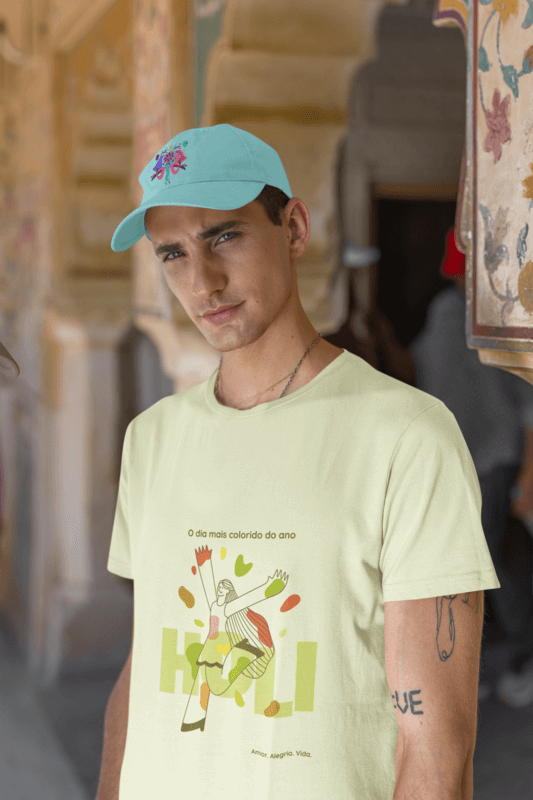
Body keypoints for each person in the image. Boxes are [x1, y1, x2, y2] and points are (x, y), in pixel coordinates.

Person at [99, 124, 500, 800]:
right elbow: (148, 660)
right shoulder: (152, 438)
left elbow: (435, 747)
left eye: (224, 235)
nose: (202, 281)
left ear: (292, 227)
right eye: (172, 253)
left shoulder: (404, 435)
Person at [408, 228, 533, 708]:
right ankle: (475, 668)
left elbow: (525, 403)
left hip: (489, 459)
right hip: (463, 460)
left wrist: (526, 474)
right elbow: (422, 380)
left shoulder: (500, 316)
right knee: (478, 561)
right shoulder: (449, 314)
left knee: (483, 563)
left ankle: (513, 659)